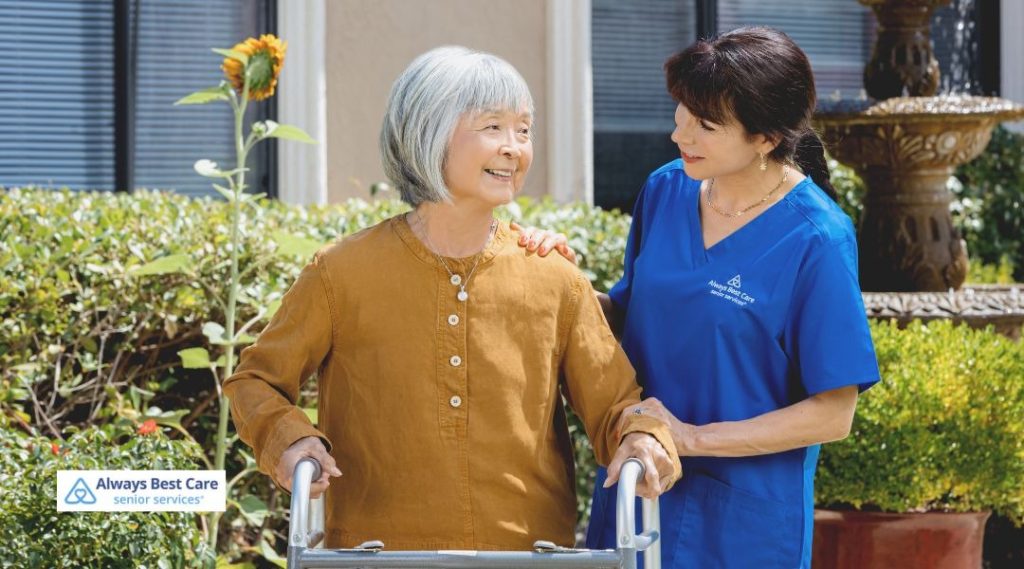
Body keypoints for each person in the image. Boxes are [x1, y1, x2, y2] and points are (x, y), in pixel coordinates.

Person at [222, 46, 680, 552]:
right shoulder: (340, 272)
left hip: (528, 557)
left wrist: (641, 436)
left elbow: (616, 406)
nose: (514, 148)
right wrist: (292, 440)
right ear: (429, 132)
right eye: (493, 127)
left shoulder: (553, 276)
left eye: (524, 130)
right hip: (375, 557)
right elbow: (256, 381)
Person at [517, 27, 880, 568]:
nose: (679, 133)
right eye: (683, 112)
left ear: (765, 139)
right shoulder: (666, 189)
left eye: (706, 125)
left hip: (743, 526)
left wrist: (689, 439)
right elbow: (631, 316)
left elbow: (833, 413)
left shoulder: (816, 238)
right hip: (638, 489)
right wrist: (557, 278)